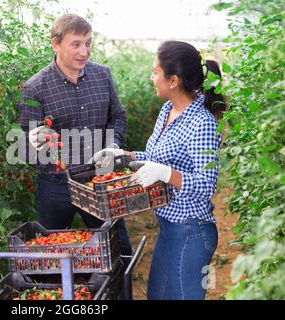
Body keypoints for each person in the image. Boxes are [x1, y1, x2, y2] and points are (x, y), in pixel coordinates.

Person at [92, 41, 227, 299]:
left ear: (173, 80)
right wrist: (125, 156)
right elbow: (155, 158)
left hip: (191, 231)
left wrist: (166, 174)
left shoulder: (202, 123)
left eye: (155, 72)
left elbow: (206, 185)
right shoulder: (168, 110)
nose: (151, 77)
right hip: (167, 227)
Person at [18, 14, 132, 257]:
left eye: (88, 43)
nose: (84, 51)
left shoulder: (102, 76)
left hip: (98, 179)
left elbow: (118, 116)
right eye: (76, 44)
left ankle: (118, 292)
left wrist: (113, 145)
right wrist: (35, 142)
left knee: (119, 250)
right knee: (53, 252)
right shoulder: (35, 87)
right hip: (56, 184)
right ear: (55, 44)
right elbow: (29, 139)